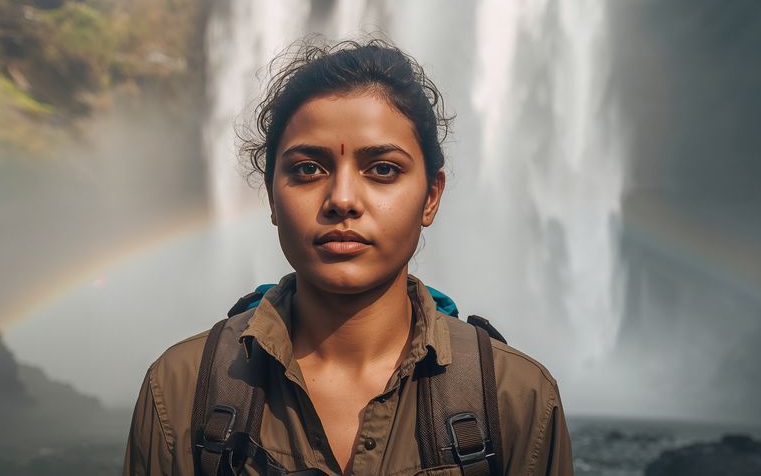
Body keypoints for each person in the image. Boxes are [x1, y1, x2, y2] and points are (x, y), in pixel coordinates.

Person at [122, 39, 573, 475]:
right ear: (272, 200)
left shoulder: (515, 397)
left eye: (382, 170)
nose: (341, 199)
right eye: (307, 169)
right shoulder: (181, 392)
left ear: (431, 197)